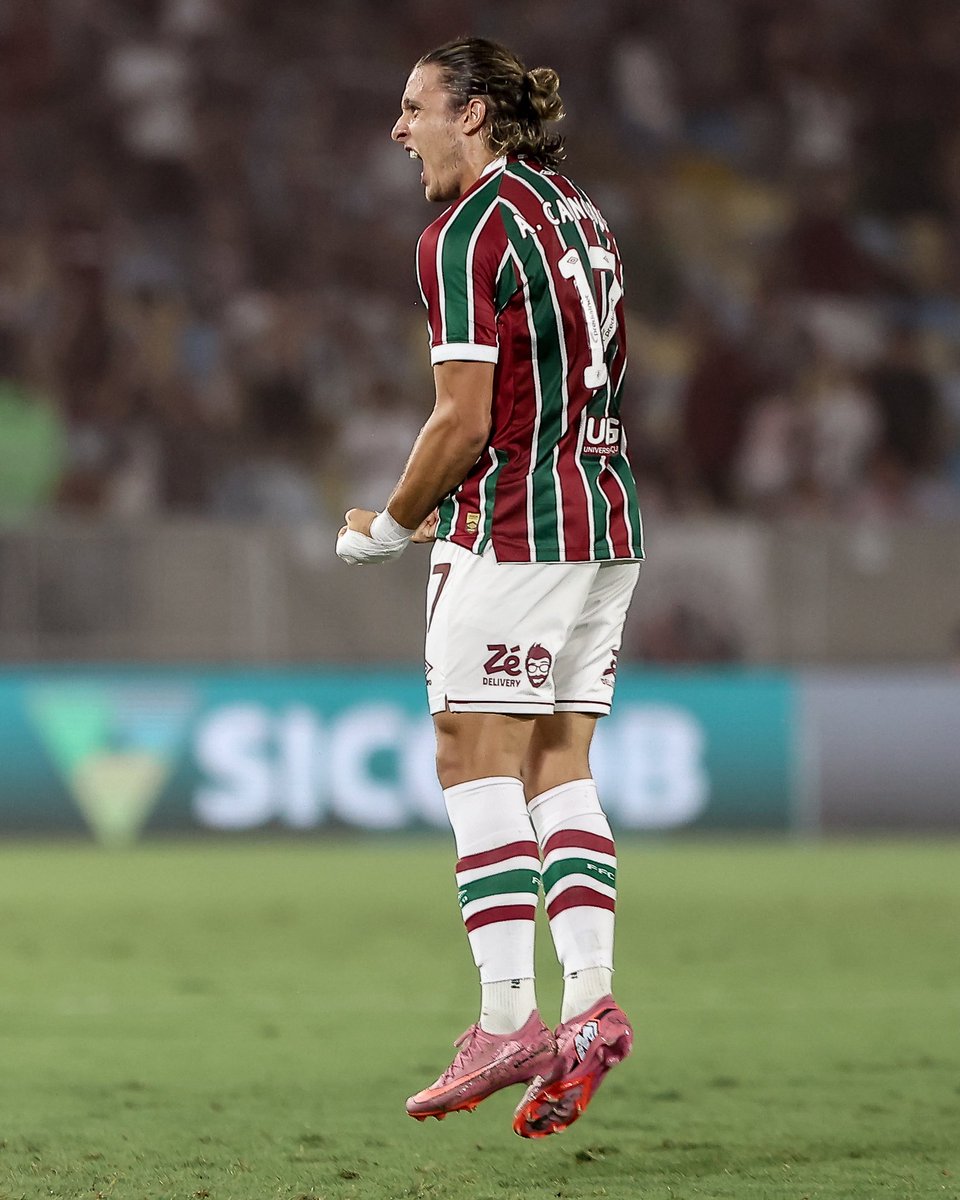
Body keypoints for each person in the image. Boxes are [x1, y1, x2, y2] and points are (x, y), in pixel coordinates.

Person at [336, 37, 642, 1138]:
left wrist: (394, 526)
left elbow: (462, 417)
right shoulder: (579, 210)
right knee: (559, 762)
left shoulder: (463, 230)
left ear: (472, 114)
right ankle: (591, 1004)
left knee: (472, 751)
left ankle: (507, 1015)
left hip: (518, 526)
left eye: (413, 107)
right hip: (607, 519)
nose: (398, 130)